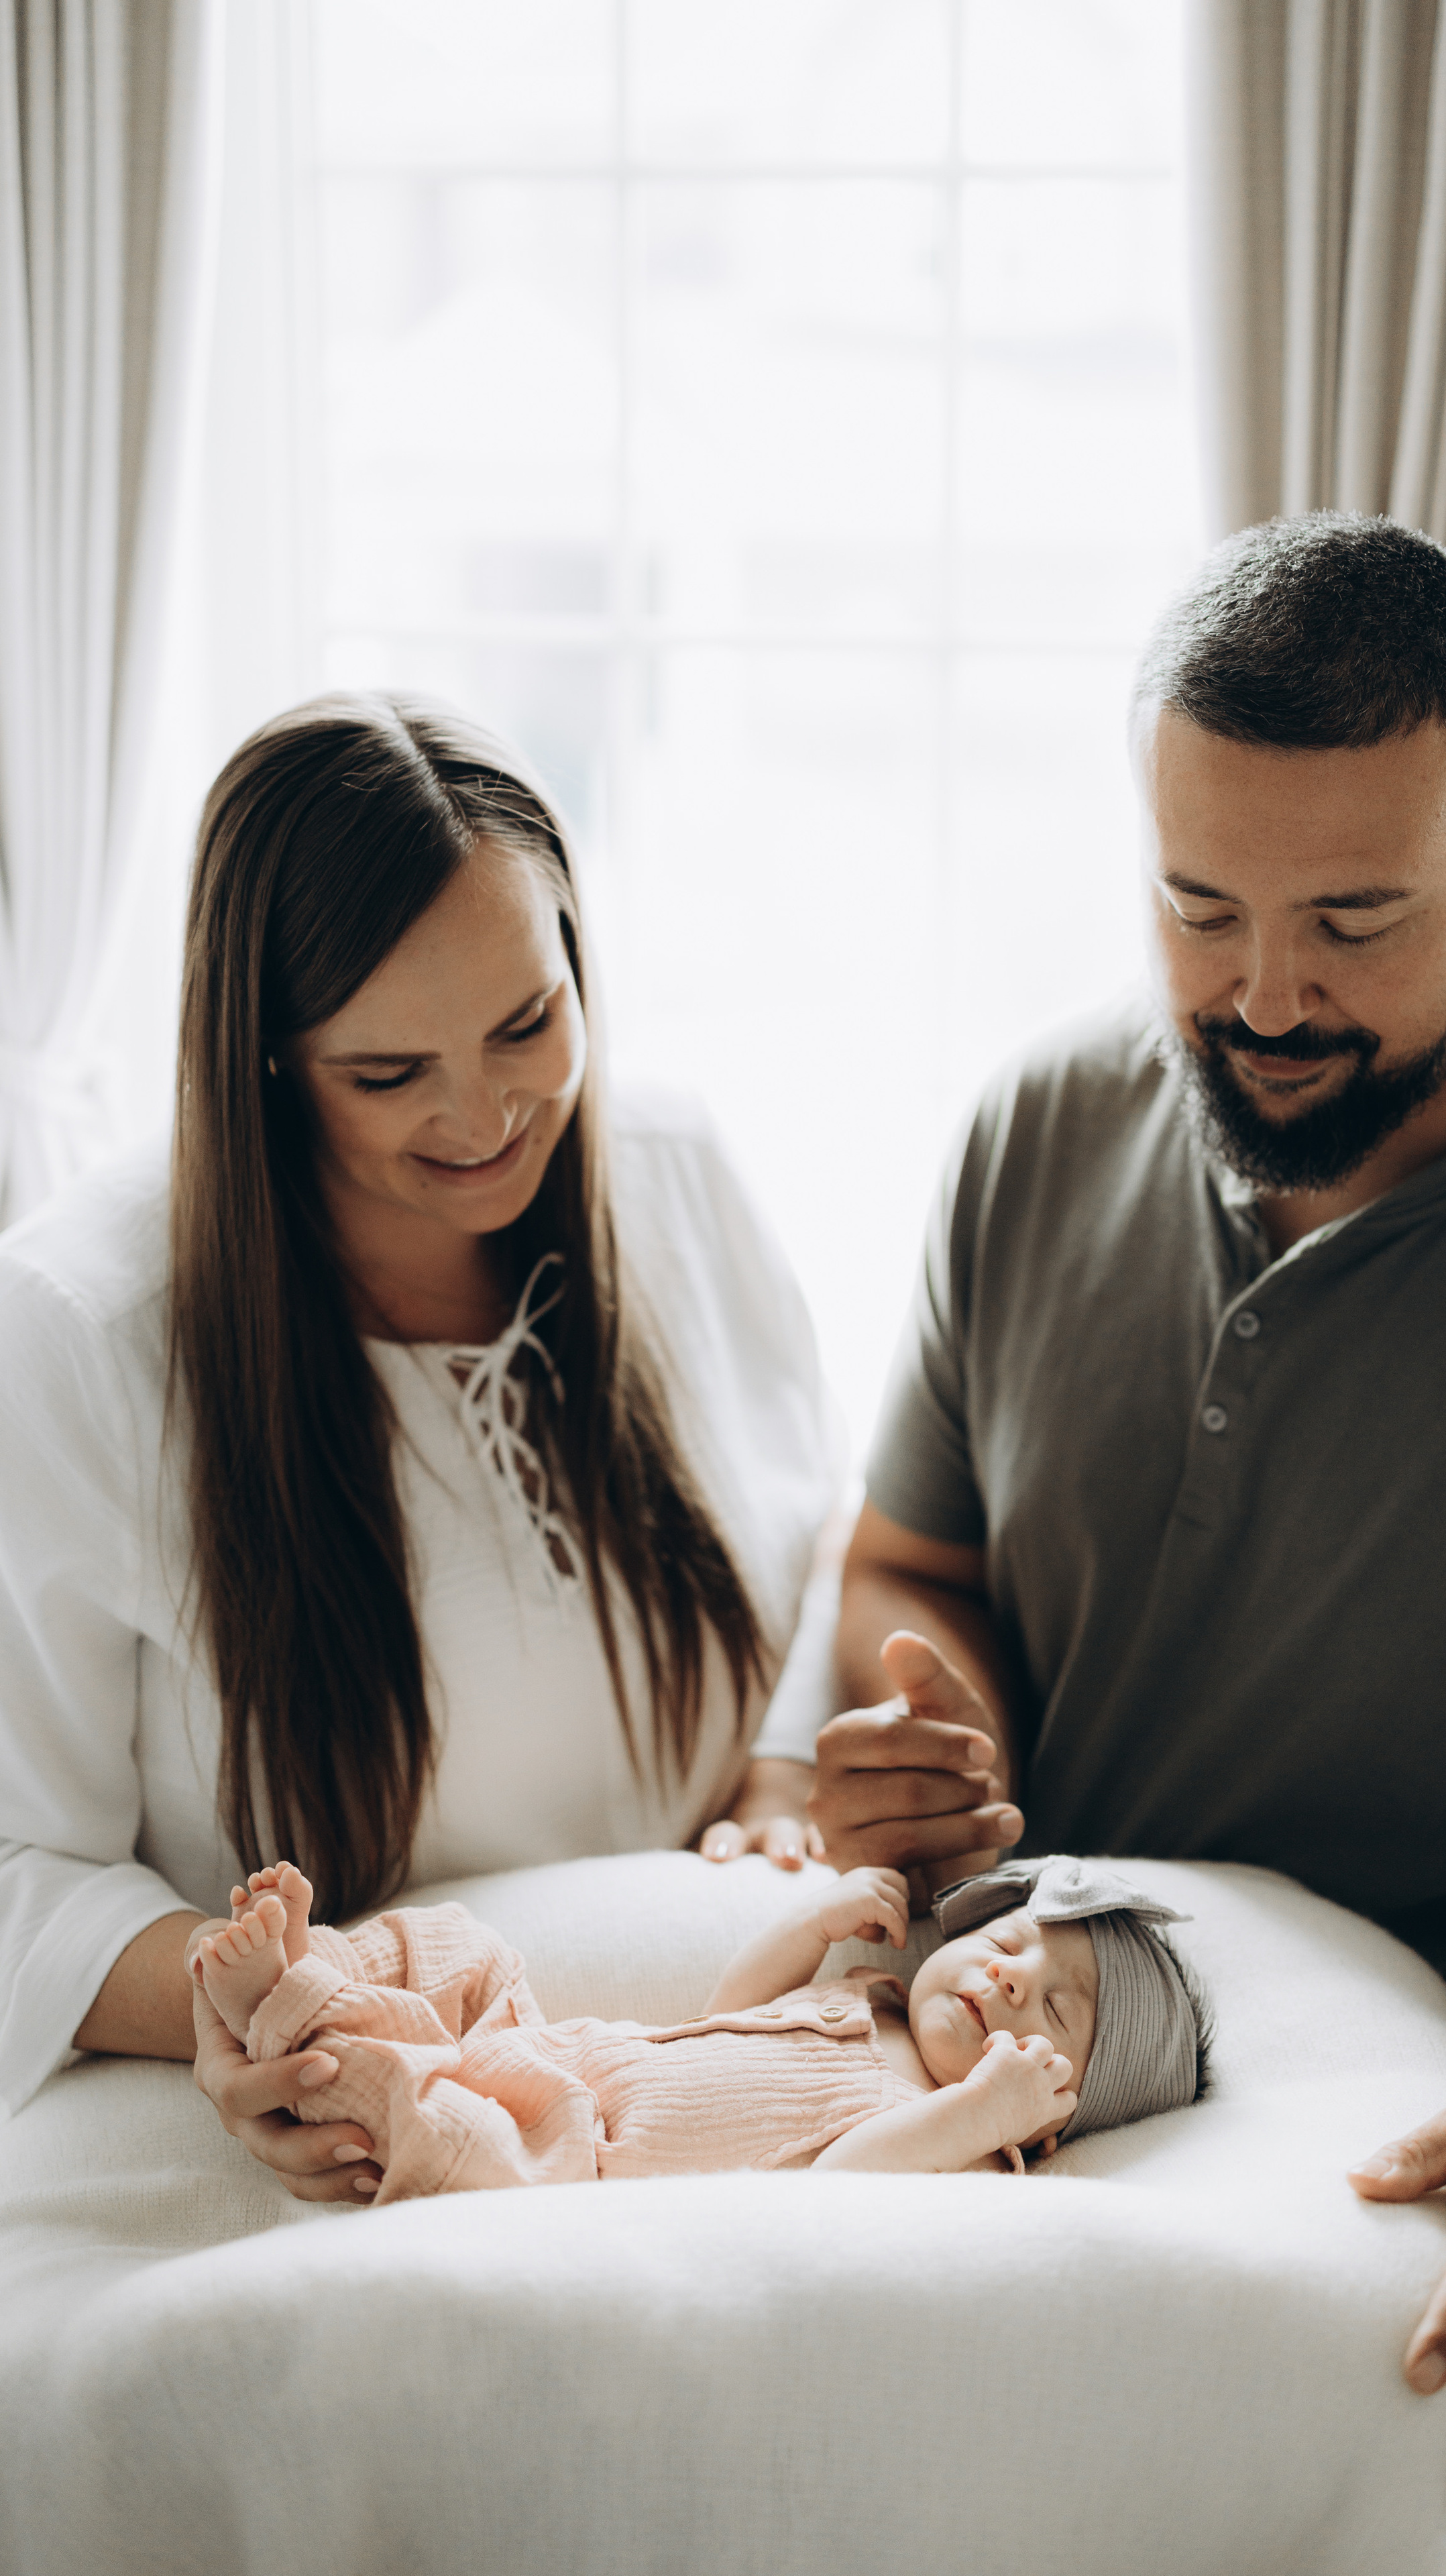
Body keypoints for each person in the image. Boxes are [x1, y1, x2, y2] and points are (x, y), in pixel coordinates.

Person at [803, 516, 1446, 2547]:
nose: (1266, 993)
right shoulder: (1033, 1127)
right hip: (1030, 2092)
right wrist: (936, 1737)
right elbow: (917, 1560)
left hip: (1442, 2194)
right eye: (1197, 907)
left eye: (1355, 919)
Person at [0, 694, 841, 2201]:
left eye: (529, 1020)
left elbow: (820, 1531)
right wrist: (242, 1994)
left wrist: (784, 1778)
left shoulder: (668, 1169)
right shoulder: (78, 1331)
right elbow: (15, 1874)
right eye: (388, 1075)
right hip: (374, 2113)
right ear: (263, 1059)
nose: (488, 1111)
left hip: (709, 2074)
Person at [184, 1852, 1203, 2193]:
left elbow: (839, 2187)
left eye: (1060, 2008)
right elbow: (731, 2019)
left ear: (1050, 2118)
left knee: (436, 2127)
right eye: (1010, 1942)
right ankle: (329, 1963)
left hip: (572, 2166)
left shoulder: (963, 2150)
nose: (1012, 1980)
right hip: (576, 2054)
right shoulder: (870, 2001)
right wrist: (811, 1928)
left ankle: (291, 2007)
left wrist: (984, 2115)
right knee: (461, 1949)